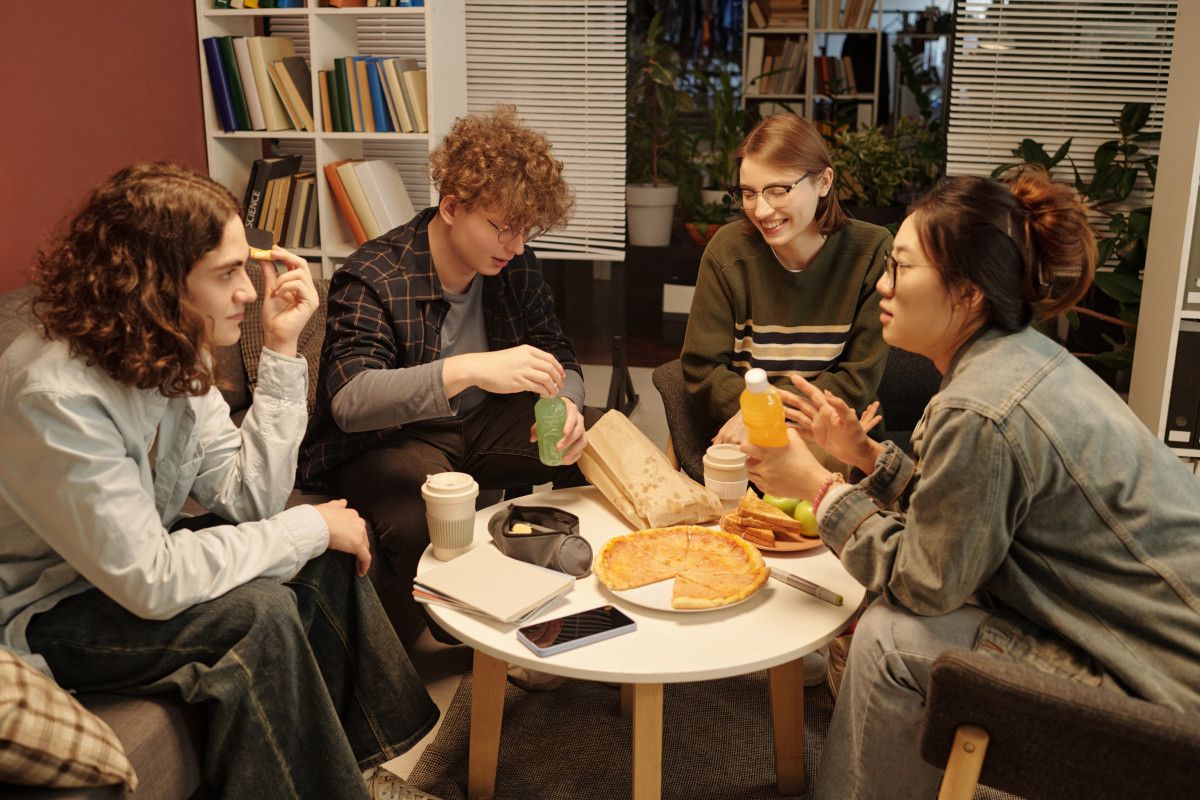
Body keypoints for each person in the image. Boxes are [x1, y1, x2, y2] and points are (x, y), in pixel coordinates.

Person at [742, 171, 1200, 799]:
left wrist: (819, 487)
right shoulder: (1021, 356)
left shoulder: (979, 406)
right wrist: (865, 454)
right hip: (1162, 658)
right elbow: (971, 514)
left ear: (967, 291)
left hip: (1161, 698)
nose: (882, 285)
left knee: (890, 636)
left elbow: (927, 582)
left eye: (901, 268)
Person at [0, 163, 440, 800]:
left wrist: (282, 350)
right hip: (45, 609)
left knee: (323, 559)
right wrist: (308, 525)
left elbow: (250, 499)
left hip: (114, 576)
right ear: (157, 282)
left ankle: (366, 771)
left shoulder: (167, 350)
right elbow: (150, 580)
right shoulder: (55, 397)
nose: (249, 294)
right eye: (227, 273)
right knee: (259, 611)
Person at [299, 106, 595, 648]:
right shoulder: (372, 276)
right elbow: (350, 399)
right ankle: (476, 630)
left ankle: (574, 589)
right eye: (503, 228)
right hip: (393, 439)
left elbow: (559, 354)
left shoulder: (515, 265)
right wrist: (468, 368)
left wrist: (569, 406)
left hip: (480, 424)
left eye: (526, 230)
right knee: (424, 512)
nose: (517, 246)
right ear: (453, 206)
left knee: (594, 439)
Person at [681, 114, 890, 467]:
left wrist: (768, 408)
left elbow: (857, 382)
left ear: (823, 182)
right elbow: (702, 371)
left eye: (778, 191)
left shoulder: (871, 251)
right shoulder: (727, 252)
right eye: (749, 193)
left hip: (837, 442)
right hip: (746, 441)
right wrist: (759, 417)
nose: (762, 210)